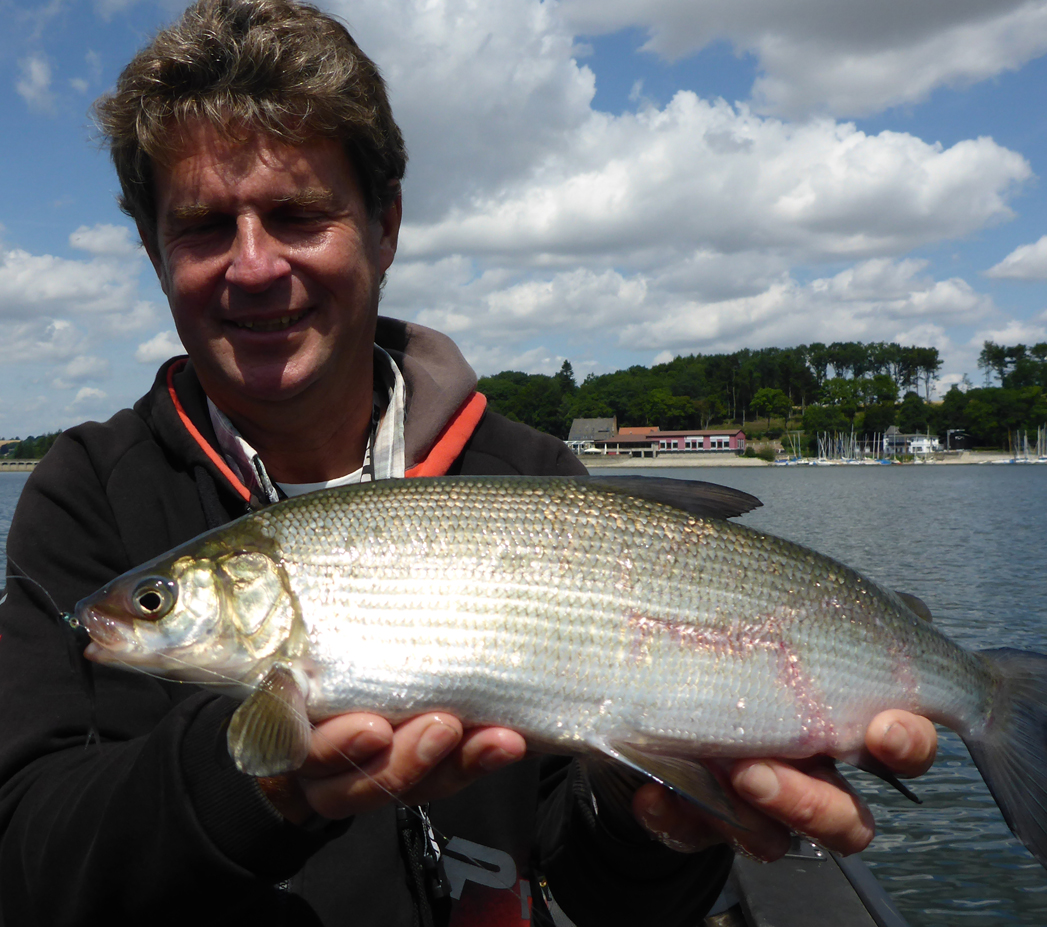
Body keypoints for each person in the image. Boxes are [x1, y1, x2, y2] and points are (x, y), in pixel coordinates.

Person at [0, 2, 937, 924]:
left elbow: (602, 887)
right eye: (205, 225)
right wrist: (264, 785)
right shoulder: (87, 496)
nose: (252, 265)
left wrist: (664, 825)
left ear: (385, 227)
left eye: (297, 214)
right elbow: (26, 864)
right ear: (155, 251)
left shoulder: (535, 477)